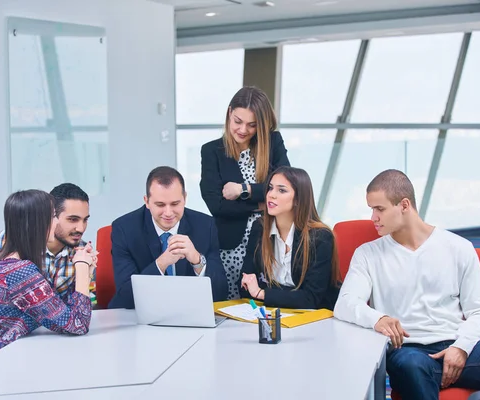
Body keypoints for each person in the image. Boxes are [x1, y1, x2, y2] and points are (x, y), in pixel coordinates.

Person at [333, 169, 480, 399]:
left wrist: (461, 348)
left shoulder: (458, 247)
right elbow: (345, 303)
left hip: (459, 345)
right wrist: (378, 318)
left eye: (379, 209)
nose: (373, 217)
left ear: (404, 205)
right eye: (371, 209)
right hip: (409, 351)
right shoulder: (368, 254)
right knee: (411, 367)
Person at [0, 190, 93, 378]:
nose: (57, 222)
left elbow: (61, 312)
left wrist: (85, 273)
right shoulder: (20, 272)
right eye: (54, 216)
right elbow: (77, 324)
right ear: (36, 223)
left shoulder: (13, 262)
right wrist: (81, 266)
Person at [200, 86, 290, 299]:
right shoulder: (212, 151)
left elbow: (287, 185)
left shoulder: (273, 143)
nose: (243, 130)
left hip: (270, 240)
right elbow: (217, 205)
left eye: (252, 125)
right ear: (229, 113)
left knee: (267, 301)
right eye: (238, 121)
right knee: (233, 304)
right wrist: (261, 203)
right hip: (231, 246)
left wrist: (244, 189)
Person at [108, 166, 228, 309]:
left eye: (175, 204)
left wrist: (197, 261)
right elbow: (125, 297)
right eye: (160, 205)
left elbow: (221, 293)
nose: (168, 212)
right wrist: (161, 264)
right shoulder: (124, 229)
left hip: (189, 314)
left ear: (185, 199)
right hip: (141, 315)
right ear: (146, 201)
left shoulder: (205, 226)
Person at [238, 166, 341, 310]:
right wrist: (264, 292)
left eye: (281, 190)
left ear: (299, 199)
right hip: (276, 311)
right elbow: (244, 284)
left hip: (316, 317)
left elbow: (311, 298)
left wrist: (262, 293)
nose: (271, 195)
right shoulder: (260, 227)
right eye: (270, 188)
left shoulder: (320, 237)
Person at [0, 183, 98, 306]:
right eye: (73, 219)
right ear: (51, 217)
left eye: (85, 220)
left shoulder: (81, 252)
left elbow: (78, 307)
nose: (81, 228)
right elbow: (1, 298)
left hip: (57, 322)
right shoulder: (14, 240)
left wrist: (86, 271)